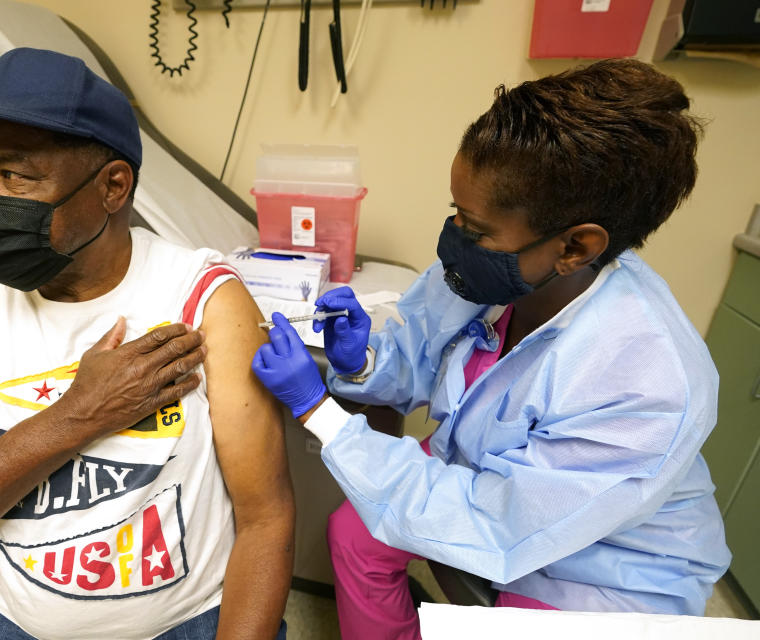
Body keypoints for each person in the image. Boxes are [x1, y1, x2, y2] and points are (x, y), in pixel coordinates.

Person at [252, 58, 731, 639]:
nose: (456, 237)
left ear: (575, 247)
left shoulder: (650, 380)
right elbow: (417, 354)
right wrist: (363, 359)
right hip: (484, 474)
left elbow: (494, 522)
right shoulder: (495, 273)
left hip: (608, 566)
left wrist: (319, 412)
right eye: (455, 212)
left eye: (475, 229)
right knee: (356, 532)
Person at [0, 47, 294, 640]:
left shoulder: (199, 297)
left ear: (112, 187)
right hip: (19, 617)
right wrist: (78, 415)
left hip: (186, 620)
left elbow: (265, 518)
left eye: (13, 175)